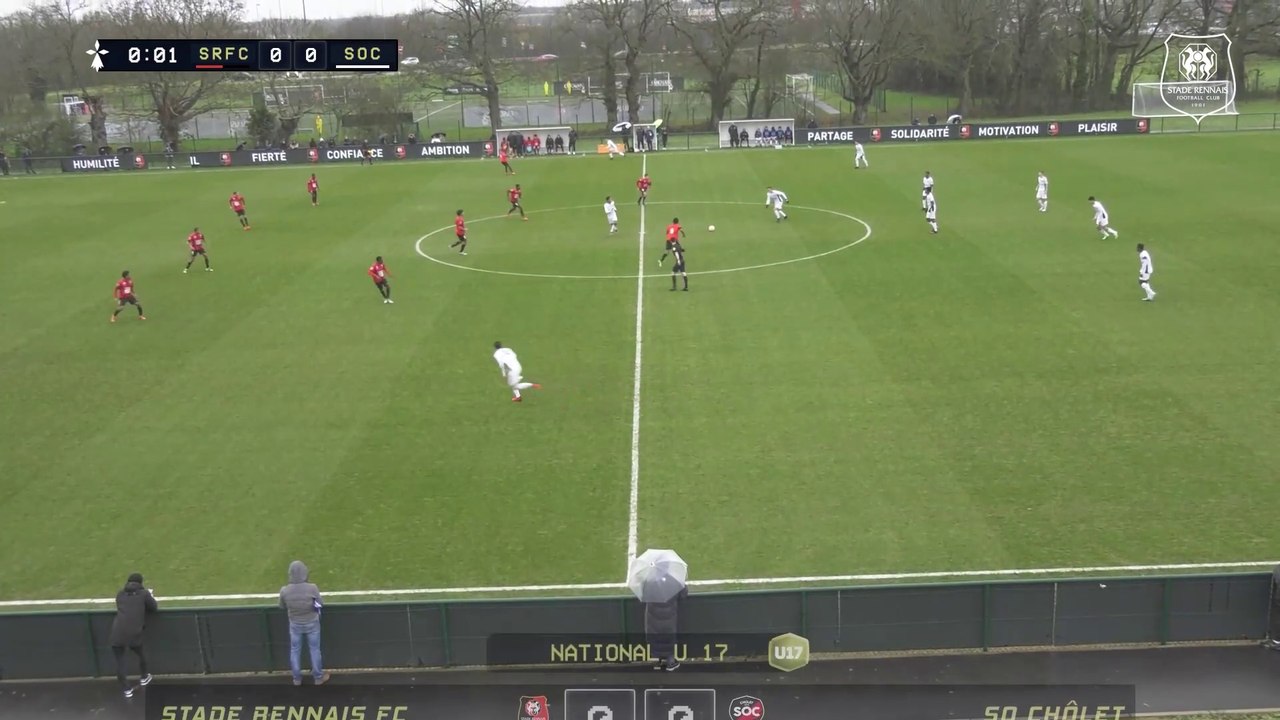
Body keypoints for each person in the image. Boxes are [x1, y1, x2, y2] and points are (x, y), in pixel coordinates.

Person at [279, 560, 330, 686]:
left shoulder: (285, 590)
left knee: (295, 650)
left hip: (295, 624)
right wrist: (313, 610)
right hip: (312, 623)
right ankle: (318, 677)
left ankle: (296, 679)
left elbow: (282, 606)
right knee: (314, 649)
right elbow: (320, 604)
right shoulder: (312, 588)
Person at [109, 573, 157, 698]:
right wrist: (150, 595)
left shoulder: (120, 594)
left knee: (120, 662)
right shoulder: (144, 594)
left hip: (117, 633)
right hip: (134, 633)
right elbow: (153, 607)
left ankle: (126, 689)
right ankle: (144, 676)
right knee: (141, 654)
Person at [645, 584, 688, 671]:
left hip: (653, 617)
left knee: (655, 637)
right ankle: (670, 662)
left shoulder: (650, 581)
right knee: (669, 638)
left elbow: (643, 595)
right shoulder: (674, 582)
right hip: (669, 618)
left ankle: (657, 661)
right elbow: (683, 594)